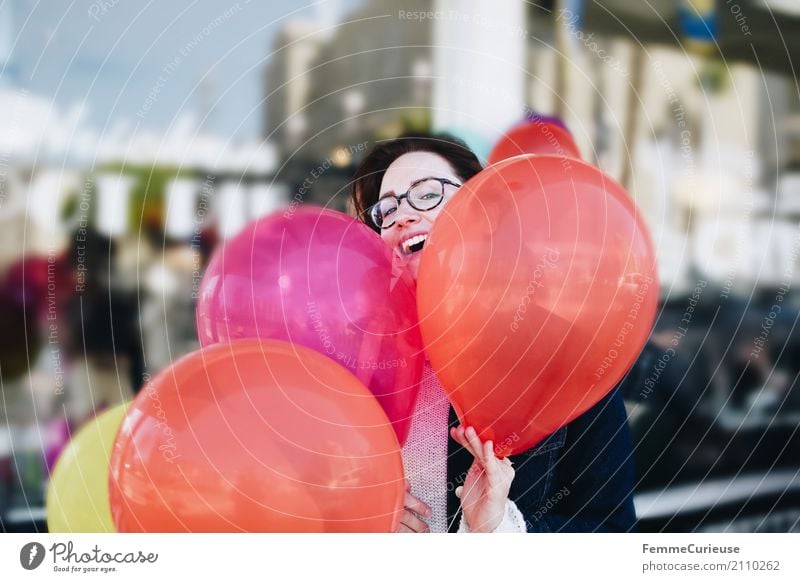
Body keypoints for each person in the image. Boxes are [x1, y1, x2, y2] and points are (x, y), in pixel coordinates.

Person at [350, 133, 637, 533]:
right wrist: (356, 515)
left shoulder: (566, 358)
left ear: (486, 211)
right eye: (387, 208)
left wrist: (500, 533)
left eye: (428, 193)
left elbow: (611, 528)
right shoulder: (359, 358)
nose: (402, 216)